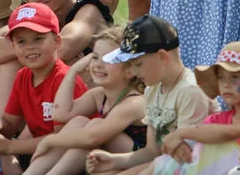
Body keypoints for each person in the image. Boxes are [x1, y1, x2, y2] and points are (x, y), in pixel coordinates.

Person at [88, 15, 213, 175]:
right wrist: (114, 160)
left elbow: (187, 160)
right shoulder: (152, 89)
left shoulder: (190, 91)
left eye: (138, 64)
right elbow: (152, 151)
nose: (132, 72)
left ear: (162, 57)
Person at [0, 2, 89, 175]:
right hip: (36, 149)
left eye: (38, 38)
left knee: (30, 152)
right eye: (21, 41)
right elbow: (10, 123)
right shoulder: (23, 76)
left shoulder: (63, 79)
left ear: (57, 41)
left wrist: (11, 146)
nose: (30, 47)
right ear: (13, 47)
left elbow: (62, 139)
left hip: (68, 152)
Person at [25, 27, 146, 175]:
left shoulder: (134, 102)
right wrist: (73, 71)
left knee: (93, 128)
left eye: (109, 59)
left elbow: (91, 139)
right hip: (113, 158)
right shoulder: (99, 95)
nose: (99, 64)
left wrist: (49, 141)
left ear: (130, 69)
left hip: (141, 163)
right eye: (95, 57)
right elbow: (60, 114)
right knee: (79, 122)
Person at [154, 43, 240, 175]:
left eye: (235, 77)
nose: (226, 84)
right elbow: (200, 137)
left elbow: (230, 132)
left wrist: (180, 133)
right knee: (190, 149)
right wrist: (181, 147)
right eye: (221, 77)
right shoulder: (218, 119)